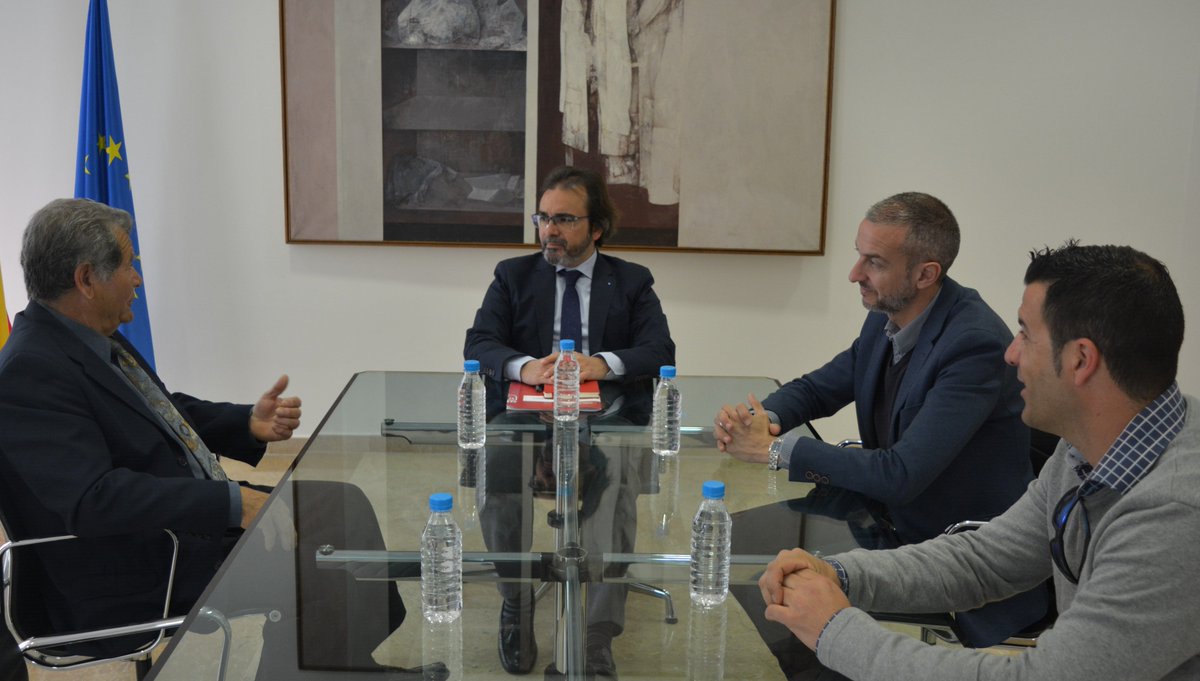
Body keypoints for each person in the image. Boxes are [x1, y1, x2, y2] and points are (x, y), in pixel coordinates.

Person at [0, 198, 439, 679]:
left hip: (174, 526)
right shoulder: (29, 369)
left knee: (343, 506)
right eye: (128, 265)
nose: (138, 279)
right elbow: (93, 499)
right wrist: (229, 502)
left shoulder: (84, 335)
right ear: (87, 279)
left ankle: (347, 668)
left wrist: (245, 422)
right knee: (319, 563)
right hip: (132, 565)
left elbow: (158, 410)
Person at [761, 242, 1200, 680]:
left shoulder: (1174, 516)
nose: (1011, 353)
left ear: (1080, 360)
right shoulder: (1088, 447)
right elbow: (985, 559)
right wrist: (838, 573)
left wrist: (833, 629)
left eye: (1025, 334)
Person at [714, 192, 1044, 652]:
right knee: (751, 567)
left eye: (874, 262)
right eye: (859, 255)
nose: (855, 274)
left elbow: (901, 474)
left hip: (956, 563)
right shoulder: (888, 317)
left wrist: (772, 450)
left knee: (780, 601)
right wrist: (760, 418)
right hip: (883, 526)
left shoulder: (974, 345)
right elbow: (820, 388)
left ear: (925, 274)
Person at [464, 165, 675, 678]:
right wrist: (524, 367)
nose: (549, 230)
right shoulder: (513, 275)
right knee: (499, 463)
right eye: (543, 218)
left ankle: (597, 633)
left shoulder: (631, 281)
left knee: (616, 479)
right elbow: (480, 343)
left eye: (564, 219)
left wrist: (601, 363)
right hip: (527, 411)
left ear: (596, 227)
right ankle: (516, 603)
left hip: (608, 415)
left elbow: (659, 350)